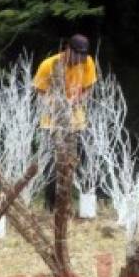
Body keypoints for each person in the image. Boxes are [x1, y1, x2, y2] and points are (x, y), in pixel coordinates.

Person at [33, 34, 97, 210]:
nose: (79, 60)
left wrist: (77, 101)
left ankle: (85, 206)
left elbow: (88, 88)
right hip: (52, 121)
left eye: (82, 57)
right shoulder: (49, 65)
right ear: (67, 48)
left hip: (77, 121)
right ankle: (51, 206)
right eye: (76, 55)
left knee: (83, 160)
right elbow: (39, 93)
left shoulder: (87, 62)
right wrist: (59, 106)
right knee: (52, 165)